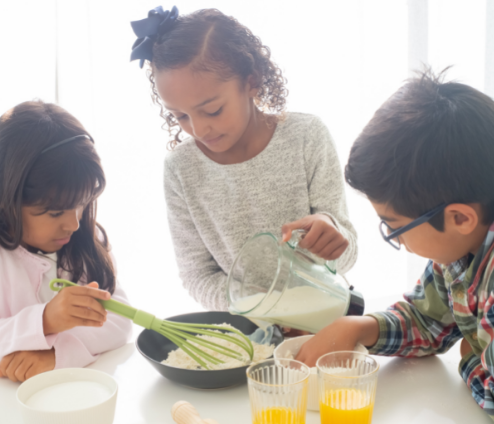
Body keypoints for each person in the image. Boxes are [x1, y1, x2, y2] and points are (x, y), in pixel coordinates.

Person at [296, 69, 494, 422]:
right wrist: (361, 327)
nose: (396, 238)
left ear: (460, 218)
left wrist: (468, 355)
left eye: (395, 227)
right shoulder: (456, 250)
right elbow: (427, 319)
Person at [130, 6, 358, 311]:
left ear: (252, 82)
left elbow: (346, 254)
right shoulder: (181, 169)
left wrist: (331, 233)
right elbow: (196, 274)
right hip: (247, 330)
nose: (198, 129)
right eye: (180, 116)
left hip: (322, 315)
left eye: (212, 111)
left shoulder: (307, 136)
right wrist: (257, 307)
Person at [0, 101, 132, 382]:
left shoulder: (84, 242)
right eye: (55, 212)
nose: (74, 223)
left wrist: (57, 354)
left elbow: (119, 321)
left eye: (82, 203)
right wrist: (43, 320)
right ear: (5, 202)